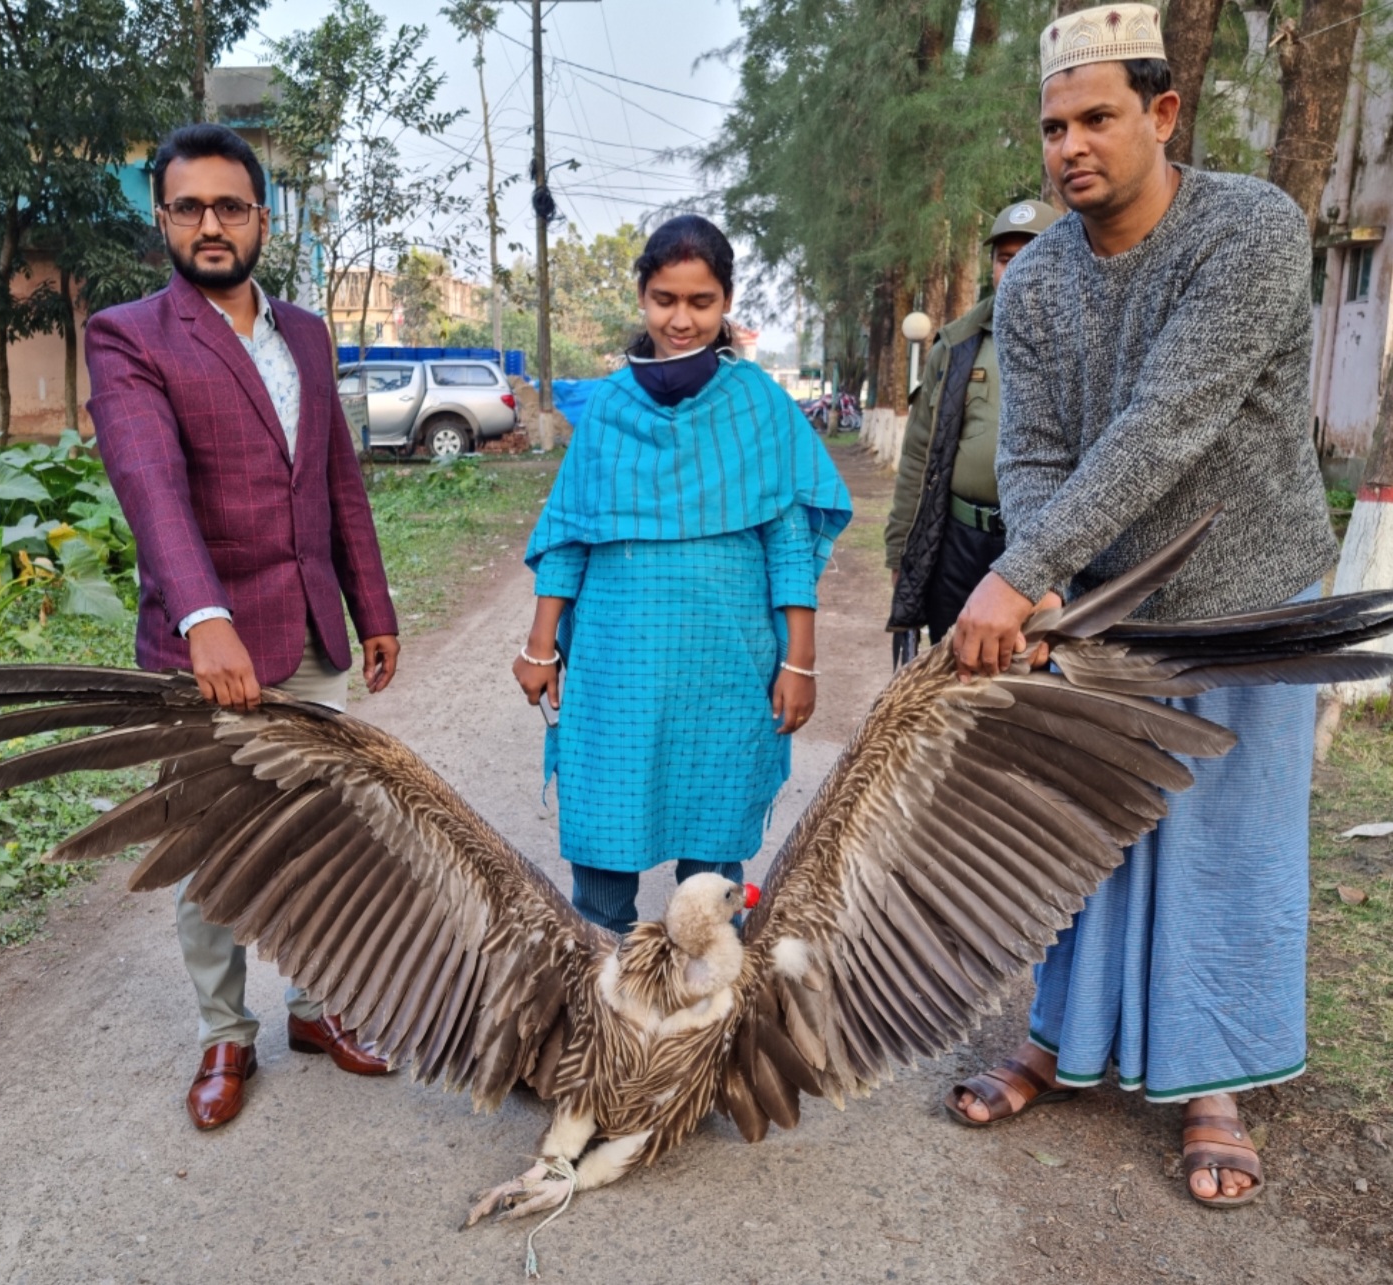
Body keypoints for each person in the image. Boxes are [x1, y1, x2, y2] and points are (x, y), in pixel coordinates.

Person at [943, 6, 1339, 1209]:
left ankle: (1213, 1087)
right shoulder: (1037, 282)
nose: (1071, 147)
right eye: (1054, 125)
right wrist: (1042, 562)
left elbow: (1170, 420)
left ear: (1165, 116)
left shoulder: (1252, 229)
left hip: (1251, 596)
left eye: (1099, 118)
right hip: (1109, 602)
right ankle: (1062, 1041)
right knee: (1085, 837)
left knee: (1228, 834)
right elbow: (1036, 453)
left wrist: (1016, 576)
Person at [85, 123, 403, 1130]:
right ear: (163, 218)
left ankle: (317, 1007)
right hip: (203, 648)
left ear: (263, 218)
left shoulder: (306, 333)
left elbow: (337, 482)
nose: (211, 224)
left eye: (231, 206)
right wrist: (203, 615)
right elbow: (150, 481)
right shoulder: (129, 334)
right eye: (190, 207)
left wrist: (373, 609)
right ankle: (227, 1032)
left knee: (324, 840)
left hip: (310, 633)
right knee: (214, 851)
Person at [512, 216, 853, 934]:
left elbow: (789, 540)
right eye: (666, 299)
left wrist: (801, 659)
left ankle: (708, 1034)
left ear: (726, 301)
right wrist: (542, 644)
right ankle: (603, 1034)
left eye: (701, 301)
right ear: (642, 296)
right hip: (615, 672)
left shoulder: (759, 404)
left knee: (710, 884)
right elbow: (570, 532)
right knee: (603, 875)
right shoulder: (607, 408)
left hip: (725, 669)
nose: (682, 318)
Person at [885, 199, 1058, 662]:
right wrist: (902, 551)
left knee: (1035, 692)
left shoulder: (1086, 341)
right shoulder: (958, 343)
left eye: (1031, 255)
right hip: (959, 543)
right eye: (1005, 259)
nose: (1015, 268)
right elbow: (919, 456)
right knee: (952, 680)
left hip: (1043, 550)